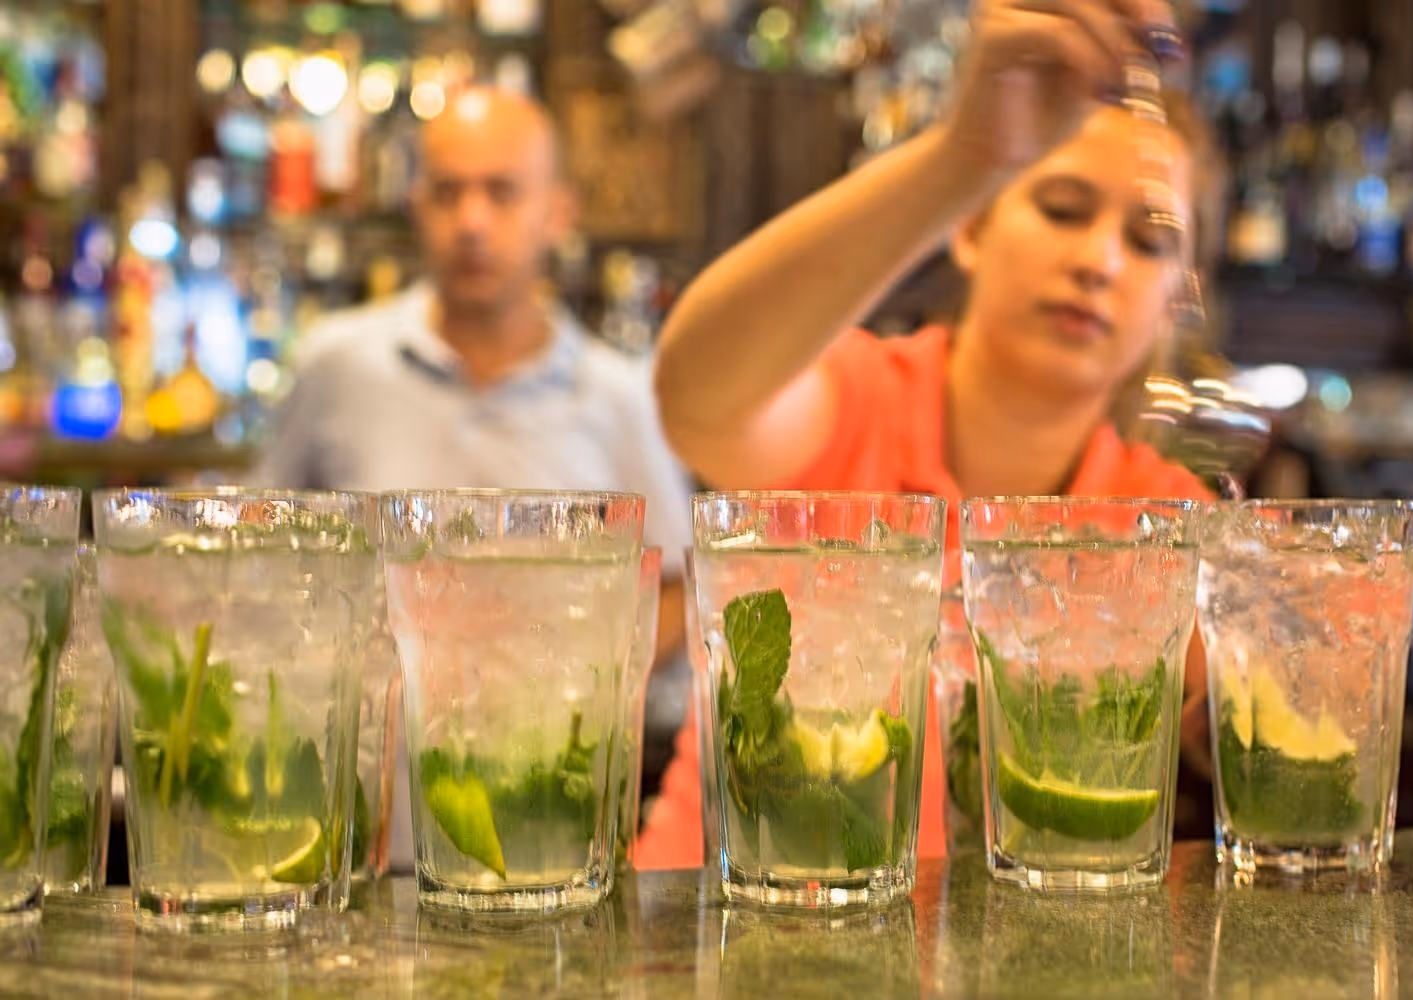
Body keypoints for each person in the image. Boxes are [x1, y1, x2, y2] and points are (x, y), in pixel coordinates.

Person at [639, 0, 1220, 866]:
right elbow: (696, 391)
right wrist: (966, 155)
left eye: (1146, 239)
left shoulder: (1168, 520)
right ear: (974, 226)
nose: (1099, 260)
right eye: (1061, 207)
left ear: (1175, 295)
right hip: (713, 940)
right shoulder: (860, 401)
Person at [252, 88, 693, 869]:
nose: (473, 221)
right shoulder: (339, 365)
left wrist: (579, 689)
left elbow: (677, 581)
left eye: (502, 191)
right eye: (448, 192)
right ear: (415, 205)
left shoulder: (621, 395)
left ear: (559, 212)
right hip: (355, 834)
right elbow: (260, 543)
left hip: (546, 833)